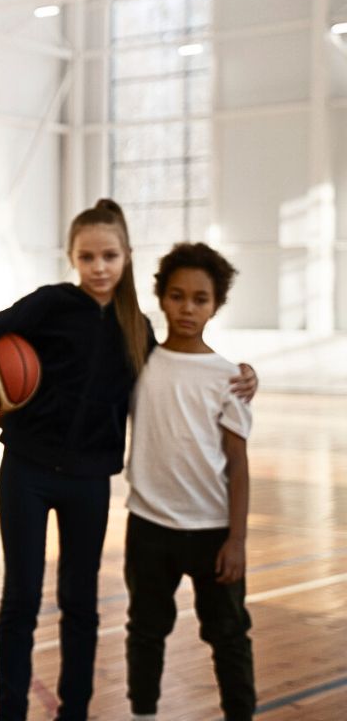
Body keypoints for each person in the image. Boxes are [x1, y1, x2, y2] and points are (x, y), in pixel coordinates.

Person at [0, 200, 256, 721]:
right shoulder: (50, 304)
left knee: (80, 605)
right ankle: (10, 713)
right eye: (86, 257)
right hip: (27, 472)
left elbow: (173, 375)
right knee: (21, 599)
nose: (98, 267)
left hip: (89, 483)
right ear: (71, 257)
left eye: (109, 256)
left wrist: (245, 374)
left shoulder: (137, 329)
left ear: (127, 255)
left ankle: (75, 712)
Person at [124, 243, 254, 721]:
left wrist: (237, 539)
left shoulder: (229, 377)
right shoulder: (140, 362)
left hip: (213, 531)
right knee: (145, 630)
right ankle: (143, 714)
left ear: (215, 305)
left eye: (200, 299)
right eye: (177, 296)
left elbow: (238, 464)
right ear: (161, 298)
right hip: (149, 526)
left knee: (229, 635)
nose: (187, 308)